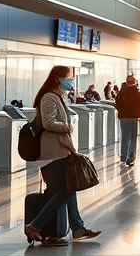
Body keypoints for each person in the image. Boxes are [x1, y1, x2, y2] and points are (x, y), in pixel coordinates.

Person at [22, 66, 101, 246]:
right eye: (69, 78)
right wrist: (67, 127)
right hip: (52, 154)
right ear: (57, 79)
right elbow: (49, 123)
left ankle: (78, 229)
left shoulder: (58, 96)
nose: (71, 81)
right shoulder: (49, 97)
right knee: (64, 192)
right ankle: (35, 225)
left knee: (69, 189)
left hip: (60, 151)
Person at [115, 75, 140, 166]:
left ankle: (123, 158)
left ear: (127, 82)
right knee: (132, 137)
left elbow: (117, 104)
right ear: (135, 82)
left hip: (123, 117)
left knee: (124, 136)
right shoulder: (137, 92)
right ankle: (131, 157)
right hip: (133, 117)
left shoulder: (122, 92)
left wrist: (121, 111)